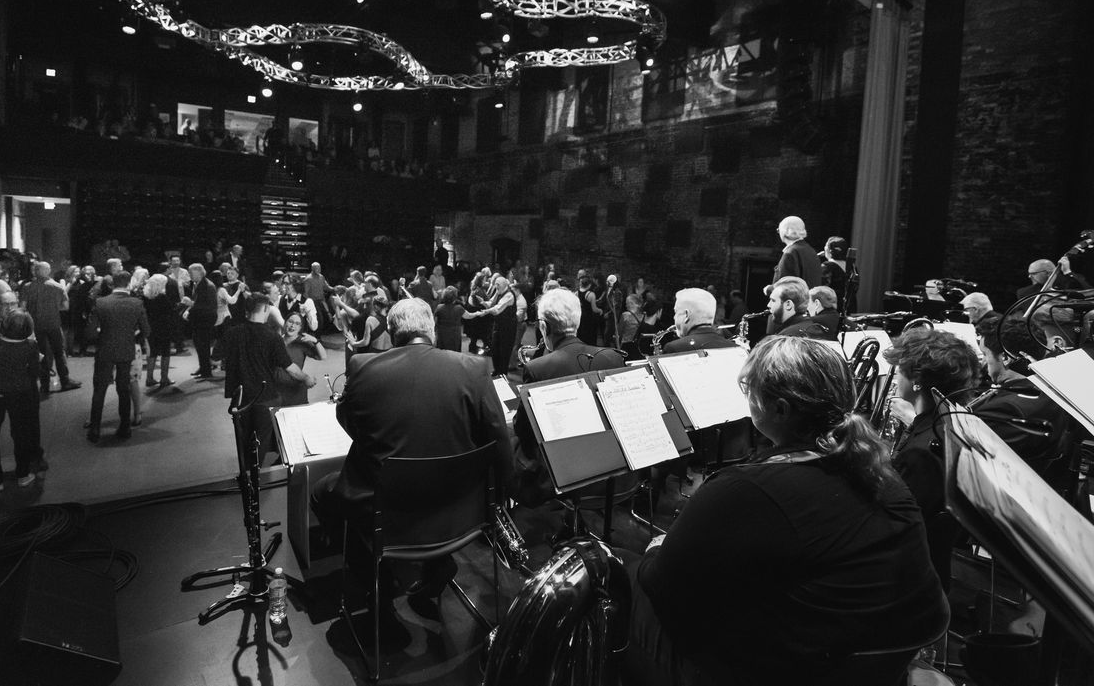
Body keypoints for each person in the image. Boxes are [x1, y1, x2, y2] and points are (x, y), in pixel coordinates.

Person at [623, 336, 949, 686]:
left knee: (617, 577)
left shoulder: (746, 490)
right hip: (869, 665)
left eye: (750, 391)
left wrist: (658, 548)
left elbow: (662, 585)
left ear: (778, 410)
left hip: (782, 670)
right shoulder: (882, 474)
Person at [311, 298, 513, 627]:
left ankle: (376, 580)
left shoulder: (363, 366)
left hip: (386, 507)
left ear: (391, 333)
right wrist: (502, 494)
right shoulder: (473, 368)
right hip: (459, 507)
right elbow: (498, 436)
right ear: (432, 329)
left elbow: (350, 423)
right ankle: (438, 563)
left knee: (322, 493)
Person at [512, 288, 622, 506]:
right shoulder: (612, 358)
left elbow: (524, 430)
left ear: (543, 327)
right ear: (577, 322)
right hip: (607, 462)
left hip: (560, 469)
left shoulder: (537, 368)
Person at [881, 327, 983, 519]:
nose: (896, 378)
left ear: (917, 379)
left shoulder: (921, 453)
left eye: (900, 370)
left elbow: (896, 519)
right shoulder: (951, 423)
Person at [970, 315, 1070, 476]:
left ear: (1005, 357)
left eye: (985, 354)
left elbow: (971, 465)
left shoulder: (1006, 409)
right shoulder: (1052, 392)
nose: (983, 362)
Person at [223, 294, 316, 463]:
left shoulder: (232, 332)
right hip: (264, 396)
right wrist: (307, 378)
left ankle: (246, 473)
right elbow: (291, 369)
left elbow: (216, 358)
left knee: (244, 437)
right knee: (262, 439)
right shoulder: (272, 336)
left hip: (240, 397)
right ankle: (256, 472)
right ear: (266, 309)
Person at [0, 309, 45, 490]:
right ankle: (23, 475)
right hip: (21, 393)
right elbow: (34, 373)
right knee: (21, 434)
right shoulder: (31, 346)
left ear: (4, 325)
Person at [88, 270, 150, 443]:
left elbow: (90, 333)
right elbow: (146, 331)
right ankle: (124, 428)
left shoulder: (100, 302)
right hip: (126, 350)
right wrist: (131, 334)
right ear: (129, 283)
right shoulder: (136, 303)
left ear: (113, 283)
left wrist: (102, 332)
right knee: (123, 390)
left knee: (99, 390)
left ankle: (94, 429)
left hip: (105, 351)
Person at [20, 261, 81, 396]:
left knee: (41, 355)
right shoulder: (57, 287)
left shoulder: (27, 287)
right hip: (53, 324)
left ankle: (44, 385)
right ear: (48, 271)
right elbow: (65, 307)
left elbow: (22, 307)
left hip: (35, 325)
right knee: (59, 353)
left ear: (36, 272)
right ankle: (65, 381)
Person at [661, 287, 736, 354]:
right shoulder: (735, 348)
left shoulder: (674, 348)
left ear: (687, 315)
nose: (674, 317)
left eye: (676, 312)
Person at [275, 312, 325, 407]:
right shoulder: (276, 340)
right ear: (285, 322)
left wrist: (315, 341)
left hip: (295, 390)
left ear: (300, 328)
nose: (292, 326)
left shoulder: (302, 342)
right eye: (290, 322)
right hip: (277, 389)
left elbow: (322, 356)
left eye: (297, 324)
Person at [142, 273, 180, 389]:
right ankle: (164, 378)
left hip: (150, 327)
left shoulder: (145, 296)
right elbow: (171, 311)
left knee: (152, 352)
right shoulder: (162, 297)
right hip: (164, 327)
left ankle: (149, 378)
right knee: (165, 352)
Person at [182, 263, 219, 379]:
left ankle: (206, 371)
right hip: (200, 320)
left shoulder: (207, 286)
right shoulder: (199, 283)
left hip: (205, 320)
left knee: (203, 346)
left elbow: (207, 306)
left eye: (191, 273)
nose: (189, 275)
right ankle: (203, 367)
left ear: (199, 272)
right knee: (200, 345)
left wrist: (190, 304)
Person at [772, 216, 821, 285]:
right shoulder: (810, 250)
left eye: (778, 230)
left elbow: (784, 288)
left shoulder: (790, 253)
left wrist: (770, 289)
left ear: (785, 231)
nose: (779, 233)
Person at [820, 235, 849, 307]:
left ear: (828, 250)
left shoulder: (827, 267)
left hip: (832, 307)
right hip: (849, 307)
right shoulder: (852, 267)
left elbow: (822, 290)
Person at [434, 286, 464, 352]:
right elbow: (469, 316)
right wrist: (478, 313)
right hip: (454, 336)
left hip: (442, 335)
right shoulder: (459, 308)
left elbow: (434, 322)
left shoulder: (439, 307)